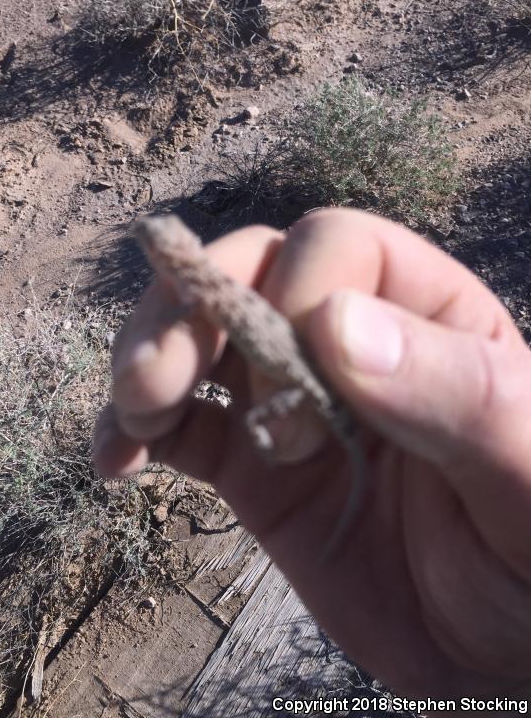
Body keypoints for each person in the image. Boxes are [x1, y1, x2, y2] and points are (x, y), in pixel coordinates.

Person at [92, 208, 531, 702]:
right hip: (296, 375)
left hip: (304, 381)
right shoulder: (202, 282)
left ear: (173, 251)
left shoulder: (199, 288)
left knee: (260, 411)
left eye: (155, 244)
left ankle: (263, 425)